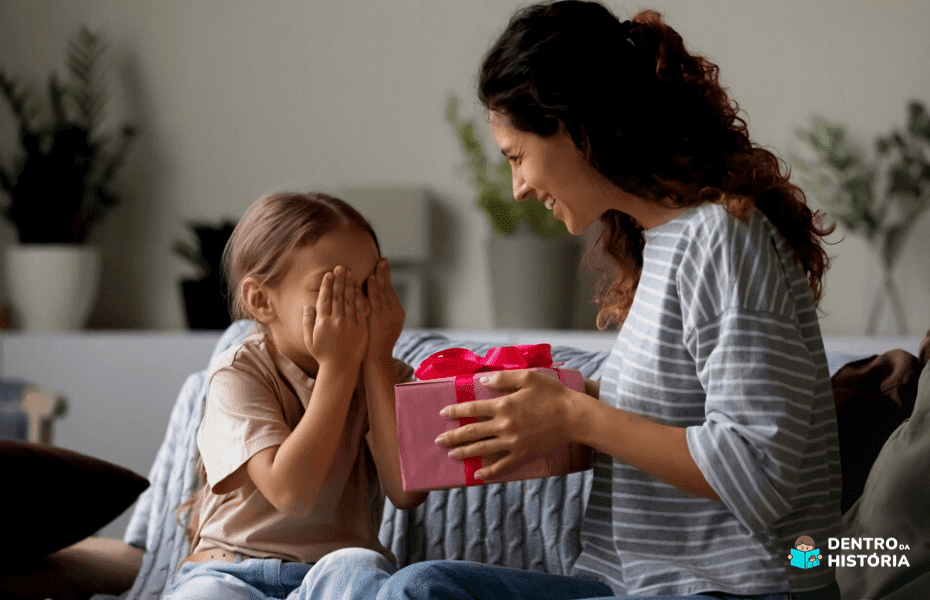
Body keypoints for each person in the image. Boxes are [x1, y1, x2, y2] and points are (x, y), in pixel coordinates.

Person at [378, 2, 841, 599]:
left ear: (572, 127)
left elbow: (759, 470)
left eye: (517, 156)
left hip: (730, 588)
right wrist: (555, 410)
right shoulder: (659, 246)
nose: (518, 189)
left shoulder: (721, 237)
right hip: (630, 586)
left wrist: (578, 415)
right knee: (420, 587)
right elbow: (680, 420)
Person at [165, 191, 427, 600]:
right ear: (261, 301)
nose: (354, 309)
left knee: (362, 566)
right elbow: (292, 492)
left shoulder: (383, 372)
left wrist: (376, 362)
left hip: (333, 574)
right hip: (234, 569)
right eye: (331, 291)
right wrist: (337, 370)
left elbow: (405, 491)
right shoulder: (239, 373)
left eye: (366, 288)